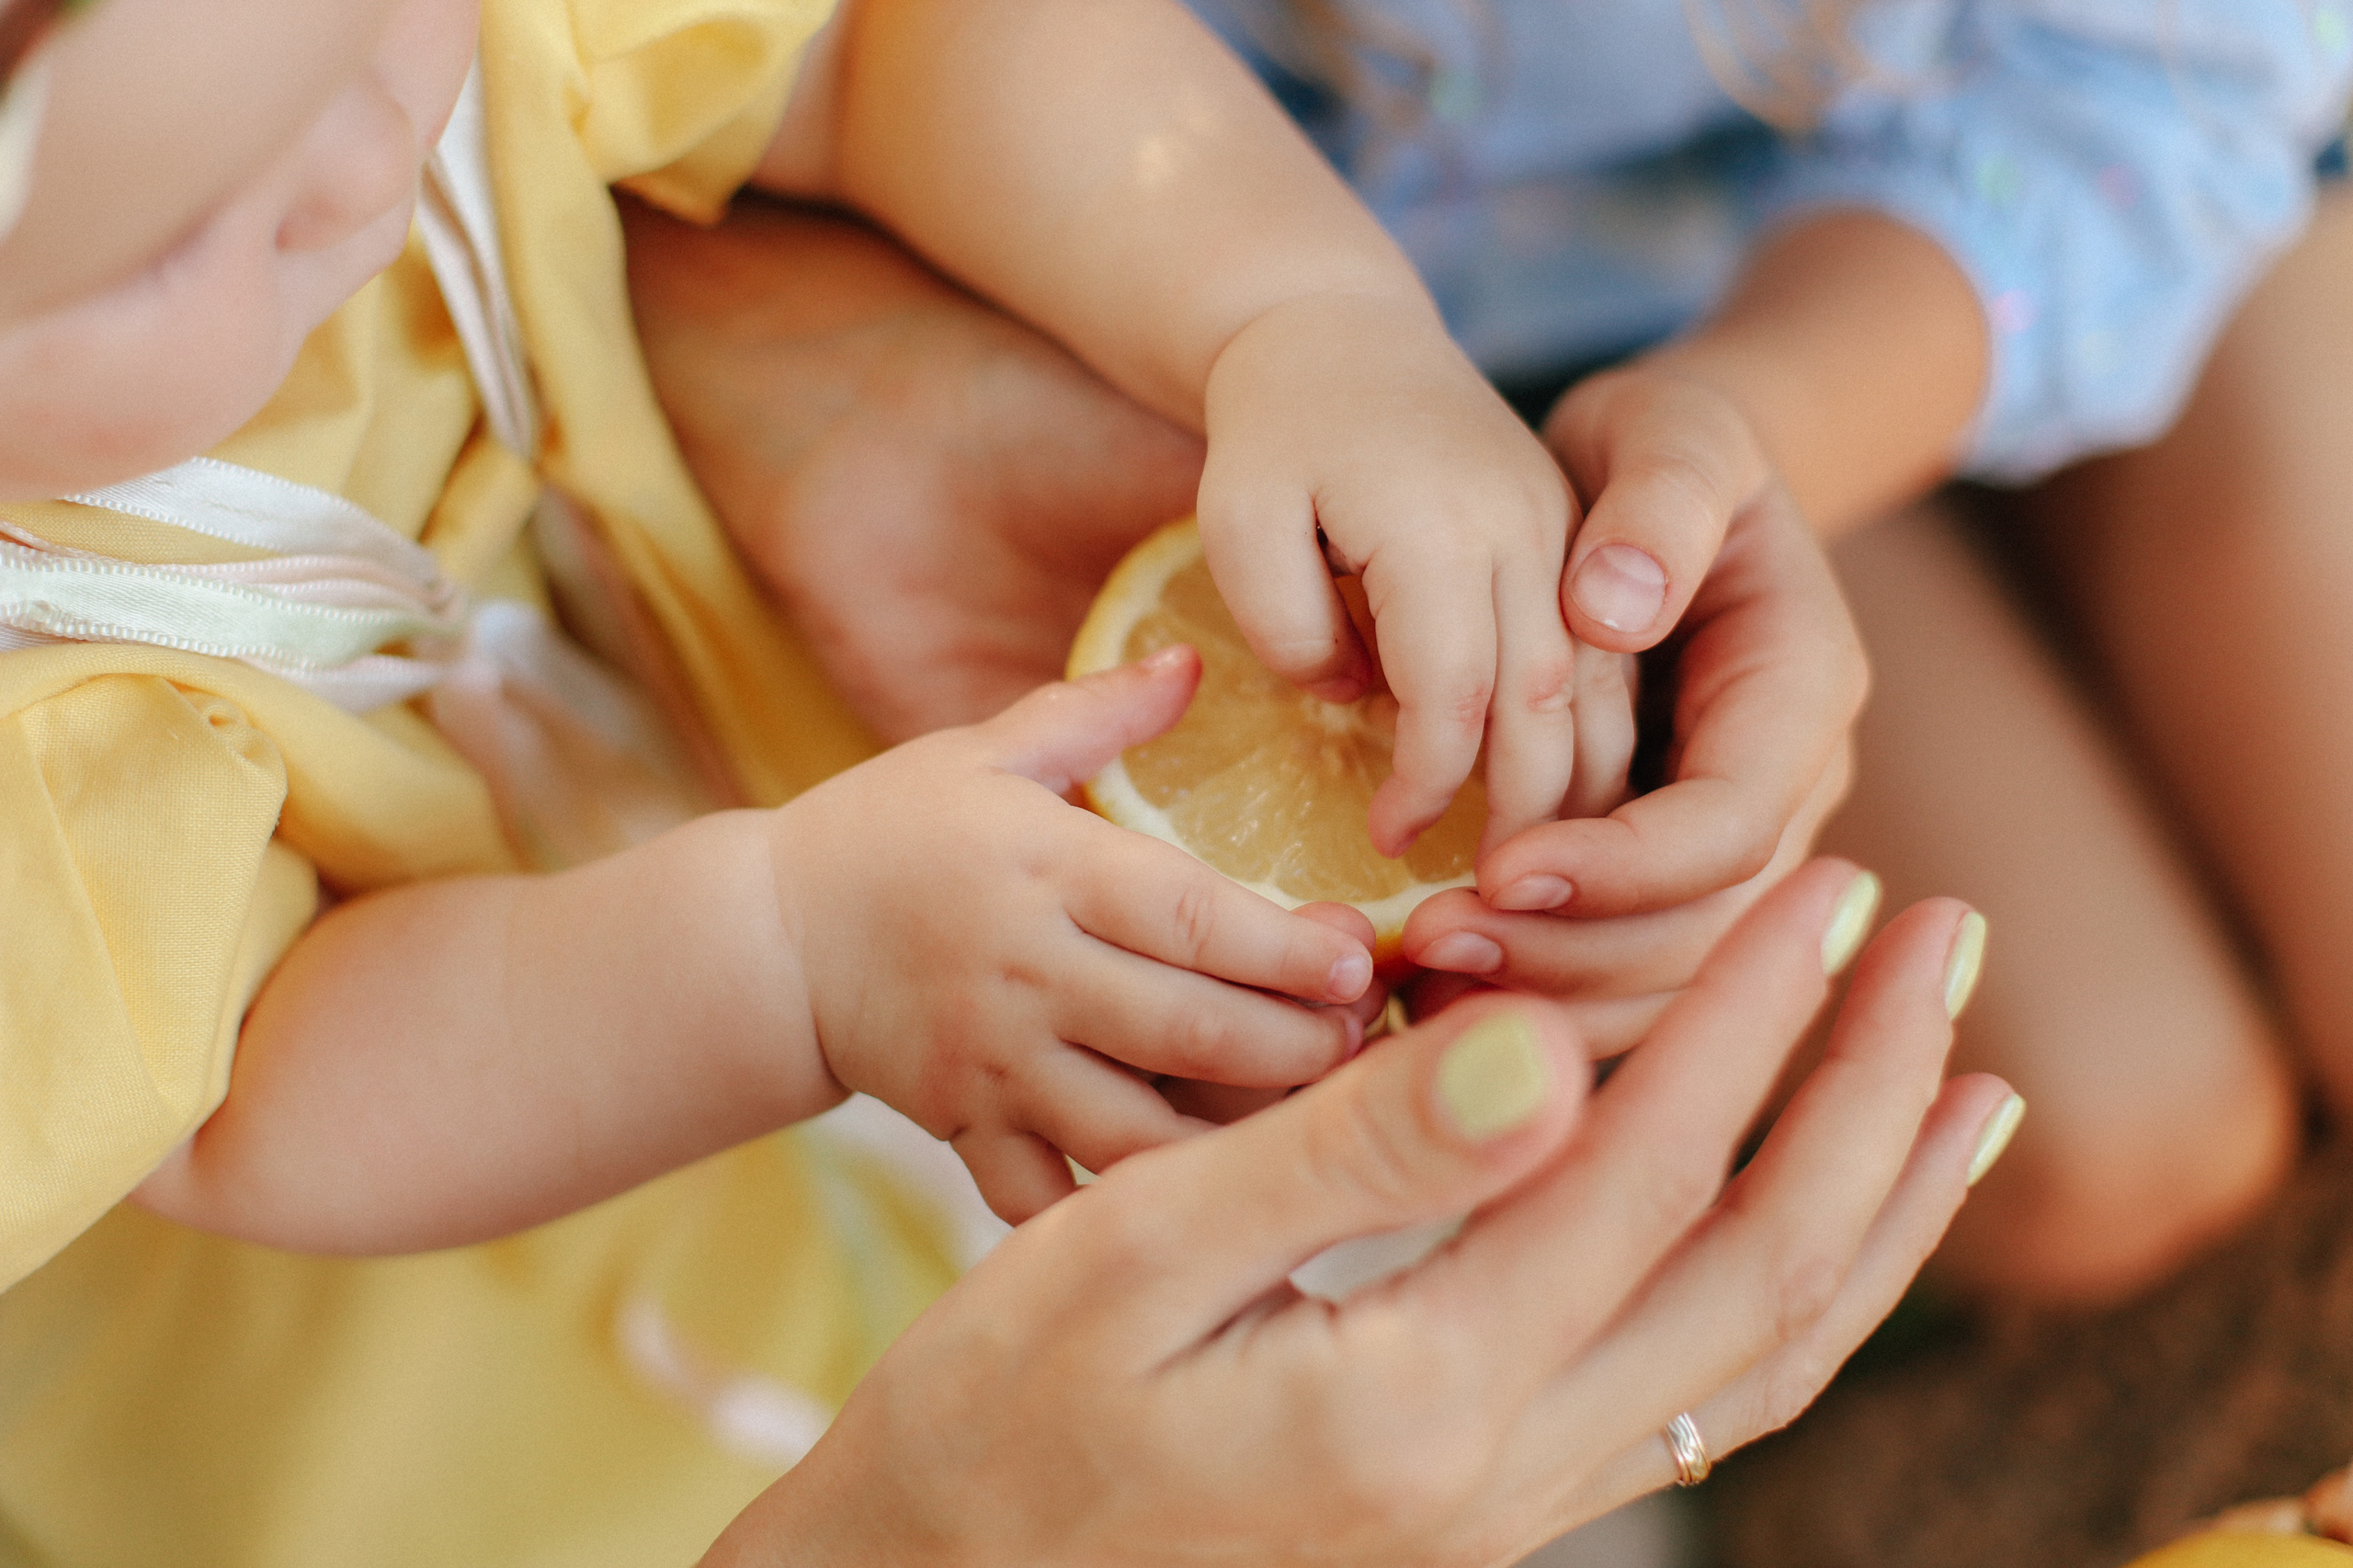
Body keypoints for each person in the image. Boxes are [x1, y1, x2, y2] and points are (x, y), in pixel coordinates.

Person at [0, 0, 1902, 1562]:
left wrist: (1299, 316)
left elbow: (886, 43)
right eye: (186, 241)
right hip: (492, 1233)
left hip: (817, 802)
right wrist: (778, 958)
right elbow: (247, 1095)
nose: (365, 169)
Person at [635, 0, 2352, 1302]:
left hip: (1888, 250)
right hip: (1220, 290)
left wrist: (1741, 438)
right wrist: (1288, 330)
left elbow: (2132, 106)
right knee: (2125, 1138)